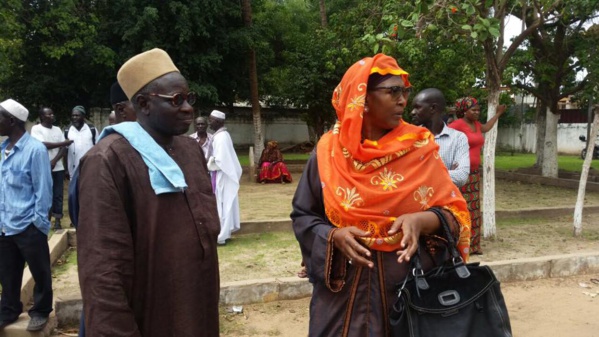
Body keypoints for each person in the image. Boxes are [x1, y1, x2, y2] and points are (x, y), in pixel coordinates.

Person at [291, 54, 471, 337]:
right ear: (361, 97)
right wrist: (333, 236)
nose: (403, 100)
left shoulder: (419, 149)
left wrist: (422, 221)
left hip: (409, 292)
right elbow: (304, 214)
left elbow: (455, 215)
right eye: (393, 91)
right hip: (343, 294)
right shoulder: (328, 153)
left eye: (405, 91)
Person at [77, 48, 220, 336]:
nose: (188, 108)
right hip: (149, 316)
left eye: (188, 98)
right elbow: (102, 271)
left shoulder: (190, 150)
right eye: (176, 100)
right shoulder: (107, 160)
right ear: (143, 103)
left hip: (198, 308)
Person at [0, 99, 53, 332]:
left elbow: (43, 190)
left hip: (28, 225)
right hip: (4, 225)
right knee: (8, 273)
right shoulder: (2, 151)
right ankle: (9, 310)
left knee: (39, 271)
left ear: (11, 121)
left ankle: (41, 311)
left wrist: (38, 224)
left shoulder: (35, 149)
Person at [449, 97, 505, 255]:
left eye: (478, 110)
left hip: (474, 174)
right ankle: (459, 244)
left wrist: (498, 114)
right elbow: (445, 138)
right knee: (460, 209)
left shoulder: (477, 125)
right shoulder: (457, 125)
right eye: (473, 110)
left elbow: (487, 127)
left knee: (474, 209)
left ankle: (473, 245)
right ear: (464, 111)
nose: (477, 112)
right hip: (461, 174)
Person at [410, 88, 470, 187]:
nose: (412, 112)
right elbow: (403, 174)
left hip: (445, 202)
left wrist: (419, 173)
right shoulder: (411, 136)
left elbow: (461, 177)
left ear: (433, 108)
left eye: (417, 107)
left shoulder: (458, 138)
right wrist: (446, 172)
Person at [31, 107, 73, 230]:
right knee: (44, 193)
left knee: (58, 194)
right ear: (42, 117)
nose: (52, 115)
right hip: (43, 167)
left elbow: (64, 149)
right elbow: (42, 145)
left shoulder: (57, 129)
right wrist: (63, 143)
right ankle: (45, 219)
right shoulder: (36, 129)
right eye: (49, 114)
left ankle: (58, 221)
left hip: (58, 167)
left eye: (52, 113)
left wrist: (54, 161)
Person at [207, 110, 242, 245]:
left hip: (222, 176)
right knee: (222, 205)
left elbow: (221, 161)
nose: (209, 122)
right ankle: (223, 233)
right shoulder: (221, 135)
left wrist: (208, 163)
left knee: (222, 205)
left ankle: (221, 236)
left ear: (218, 121)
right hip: (221, 175)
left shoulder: (221, 137)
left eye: (211, 120)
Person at [64, 105, 96, 178]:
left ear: (83, 116)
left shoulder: (92, 129)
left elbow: (97, 147)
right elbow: (65, 151)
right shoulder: (67, 130)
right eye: (73, 115)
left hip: (89, 168)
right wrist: (66, 169)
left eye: (77, 115)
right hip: (73, 169)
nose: (74, 118)